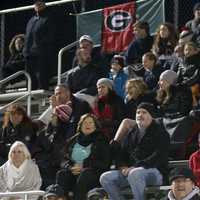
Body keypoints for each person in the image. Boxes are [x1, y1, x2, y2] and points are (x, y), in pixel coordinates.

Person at [100, 103, 170, 200]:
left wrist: (136, 166)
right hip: (132, 172)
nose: (140, 115)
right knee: (105, 177)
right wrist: (122, 166)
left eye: (144, 112)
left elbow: (159, 156)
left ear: (152, 116)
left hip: (155, 172)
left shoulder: (161, 132)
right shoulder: (132, 132)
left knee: (135, 173)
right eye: (138, 112)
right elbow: (122, 153)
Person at [56, 113, 111, 200]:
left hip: (93, 172)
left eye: (90, 123)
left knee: (85, 174)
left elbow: (105, 162)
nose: (87, 125)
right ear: (80, 125)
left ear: (95, 126)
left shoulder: (102, 139)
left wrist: (84, 165)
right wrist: (70, 167)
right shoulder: (73, 140)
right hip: (74, 171)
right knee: (62, 174)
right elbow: (63, 159)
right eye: (84, 123)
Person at [23, 0, 56, 90]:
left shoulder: (49, 18)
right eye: (36, 3)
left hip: (41, 54)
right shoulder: (31, 20)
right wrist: (25, 50)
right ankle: (30, 98)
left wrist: (40, 46)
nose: (37, 5)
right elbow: (28, 36)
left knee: (41, 78)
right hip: (29, 54)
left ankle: (42, 99)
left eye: (40, 3)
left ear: (44, 5)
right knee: (30, 79)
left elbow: (51, 36)